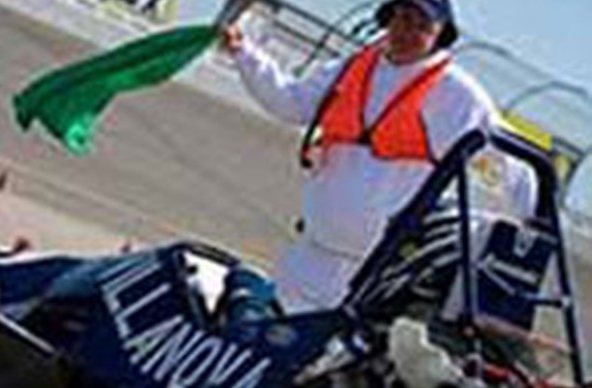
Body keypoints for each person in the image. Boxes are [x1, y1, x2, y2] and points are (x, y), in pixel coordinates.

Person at [221, 0, 536, 314]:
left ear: (440, 35)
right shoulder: (352, 68)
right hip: (311, 255)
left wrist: (534, 224)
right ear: (388, 19)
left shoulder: (457, 95)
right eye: (403, 17)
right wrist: (244, 53)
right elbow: (290, 101)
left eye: (422, 25)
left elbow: (512, 162)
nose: (408, 30)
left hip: (375, 275)